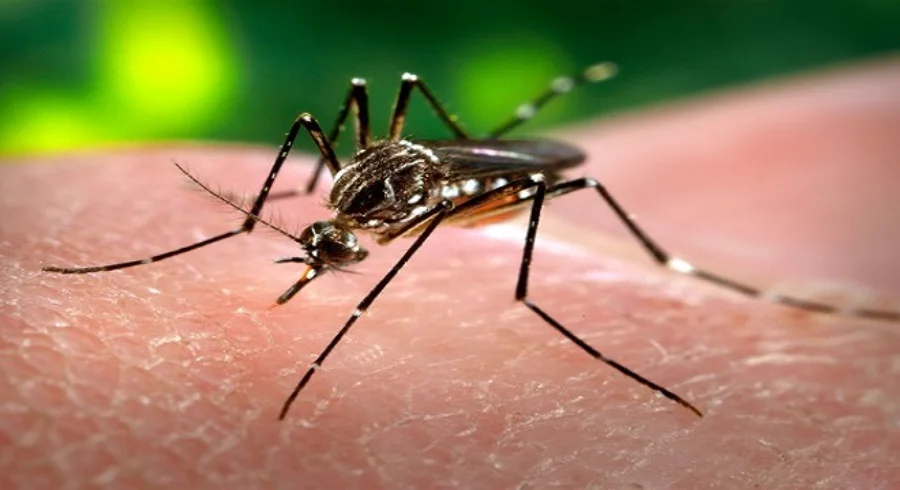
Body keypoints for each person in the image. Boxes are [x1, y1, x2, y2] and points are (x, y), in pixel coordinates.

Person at [3, 56, 899, 488]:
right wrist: (248, 220)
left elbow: (424, 216)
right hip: (420, 169)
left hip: (479, 181)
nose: (330, 253)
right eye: (329, 246)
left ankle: (672, 268)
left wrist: (343, 326)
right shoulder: (349, 192)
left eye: (331, 250)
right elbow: (341, 169)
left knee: (541, 178)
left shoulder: (402, 209)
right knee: (343, 108)